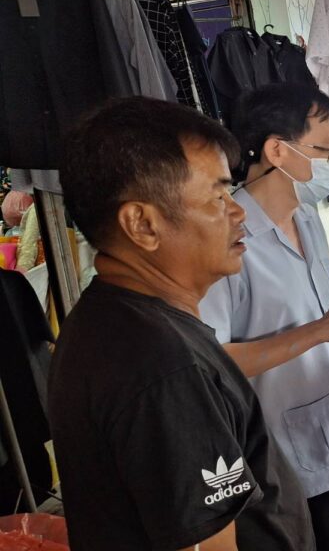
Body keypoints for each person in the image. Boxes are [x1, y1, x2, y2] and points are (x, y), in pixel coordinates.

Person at [49, 97, 314, 550]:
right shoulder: (161, 364)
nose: (237, 212)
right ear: (142, 225)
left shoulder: (114, 320)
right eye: (217, 196)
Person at [199, 83, 329, 551]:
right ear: (277, 151)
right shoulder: (227, 240)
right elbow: (212, 362)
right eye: (325, 151)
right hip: (298, 468)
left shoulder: (308, 219)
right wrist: (322, 331)